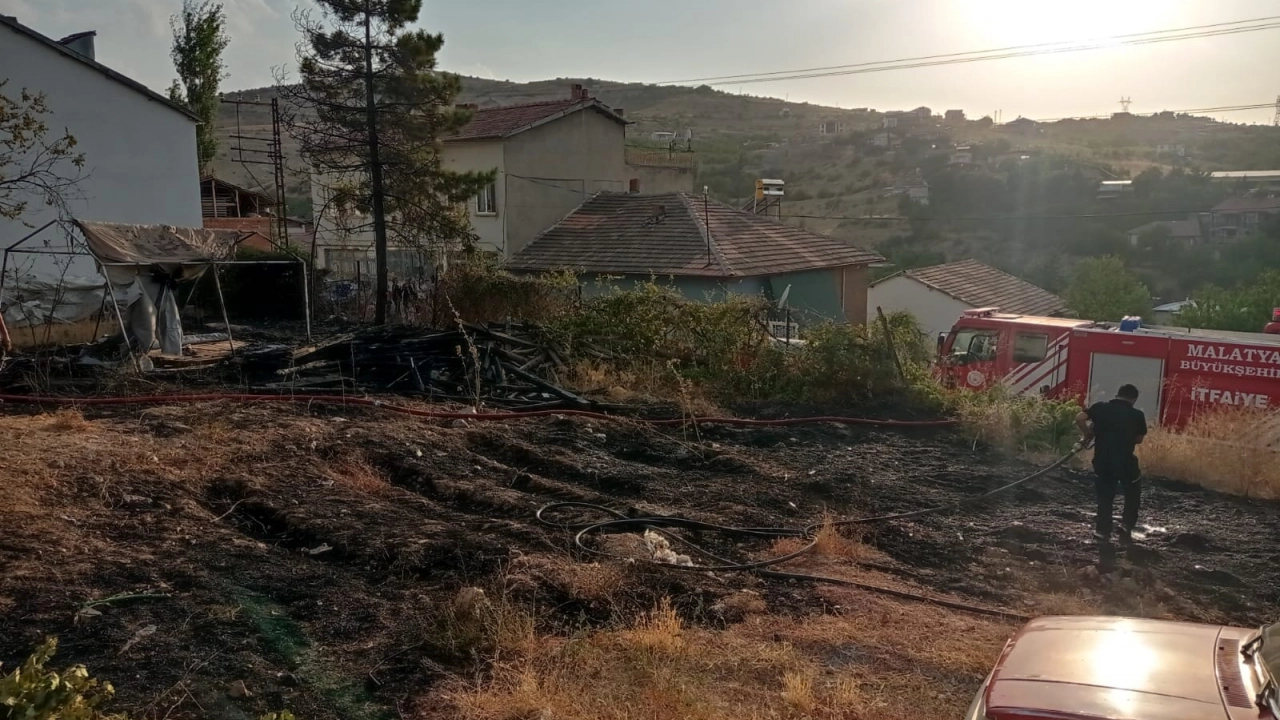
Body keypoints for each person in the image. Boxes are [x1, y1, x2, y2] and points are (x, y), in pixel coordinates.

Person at [1076, 384, 1147, 543]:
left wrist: (1088, 433)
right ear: (1134, 399)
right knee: (1132, 492)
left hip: (1102, 461)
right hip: (1125, 462)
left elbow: (1079, 418)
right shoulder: (1137, 415)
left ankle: (1102, 531)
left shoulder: (1100, 407)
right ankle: (1126, 525)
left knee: (1105, 496)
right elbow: (1139, 439)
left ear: (1117, 394)